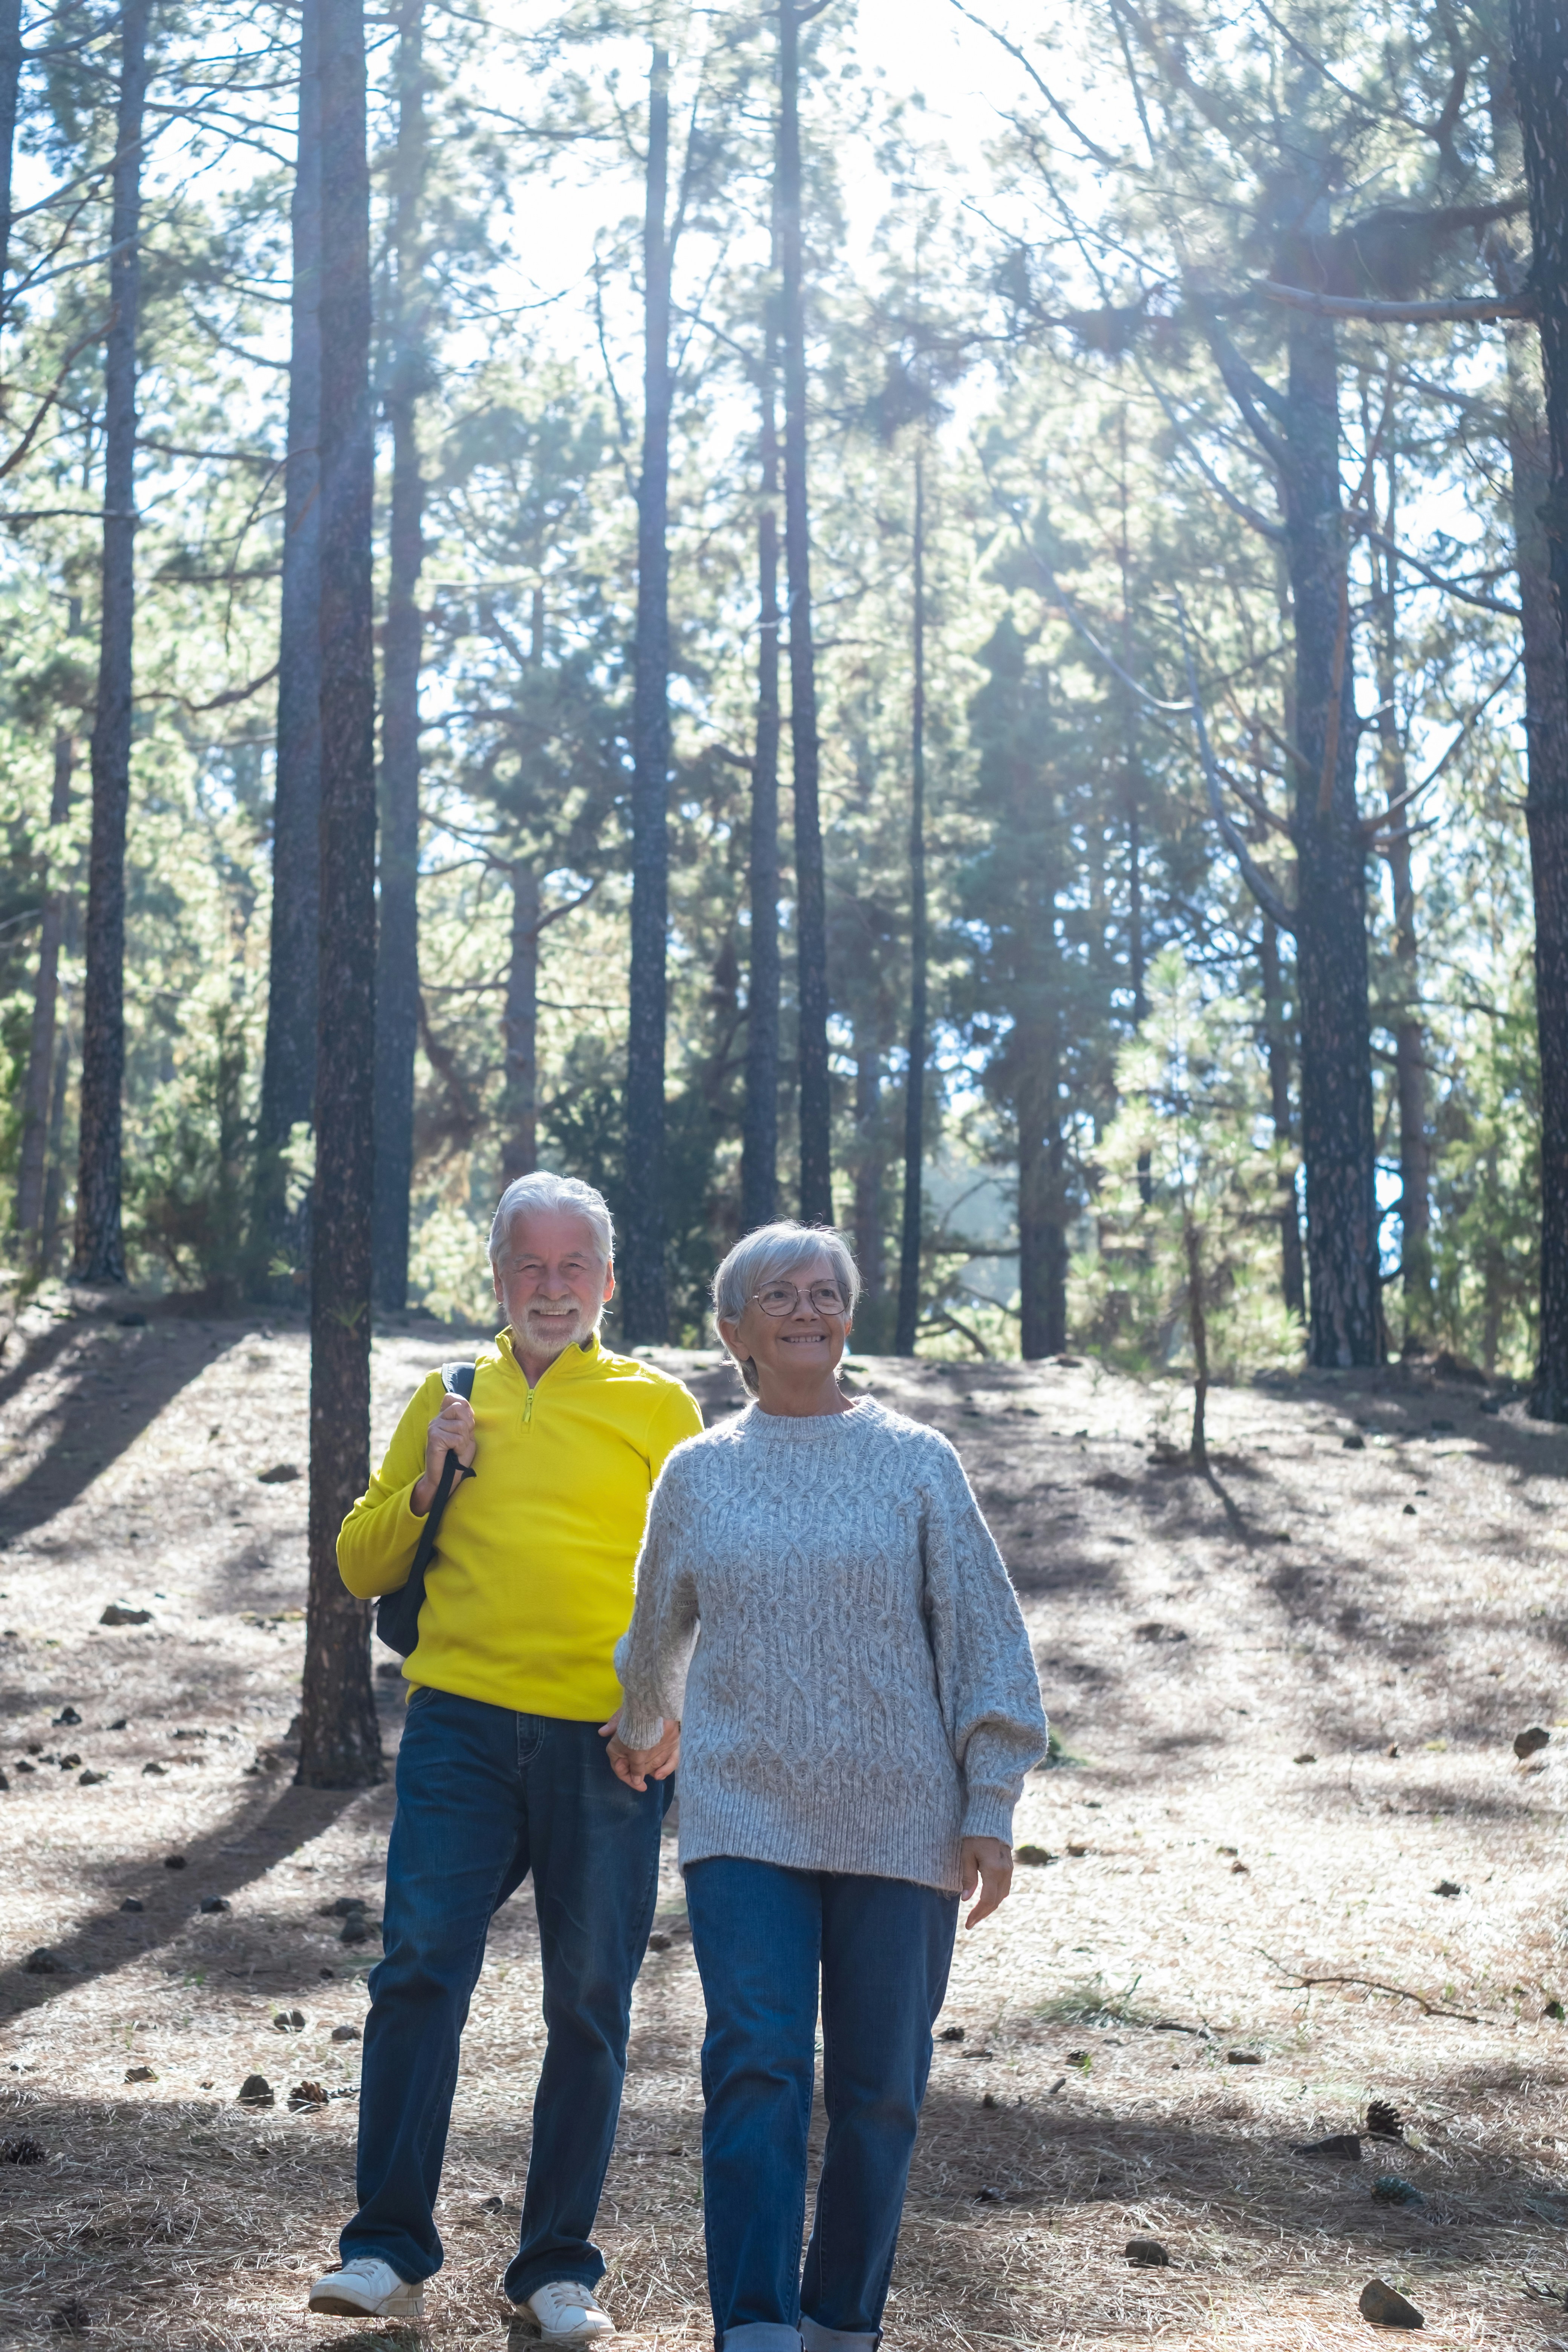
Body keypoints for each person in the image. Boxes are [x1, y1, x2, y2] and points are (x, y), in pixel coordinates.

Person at [609, 1220, 1049, 2352]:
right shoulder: (698, 1472)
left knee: (881, 2089)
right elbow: (655, 1627)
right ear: (735, 1331)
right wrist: (644, 1724)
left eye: (825, 1293)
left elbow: (985, 1643)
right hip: (741, 1815)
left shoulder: (918, 1463)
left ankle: (839, 2321)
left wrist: (988, 1804)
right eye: (778, 1295)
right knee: (754, 2064)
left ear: (850, 1317)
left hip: (902, 1825)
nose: (806, 1310)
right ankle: (752, 2327)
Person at [308, 1172, 703, 2337]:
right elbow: (360, 1564)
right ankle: (384, 2250)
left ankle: (556, 2270)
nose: (552, 1286)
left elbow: (703, 1580)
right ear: (498, 1280)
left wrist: (670, 1709)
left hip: (607, 1746)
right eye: (529, 1266)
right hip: (460, 1733)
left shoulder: (658, 1409)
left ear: (608, 1284)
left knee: (590, 2002)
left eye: (573, 1266)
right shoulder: (449, 1390)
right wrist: (432, 1476)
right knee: (420, 1969)